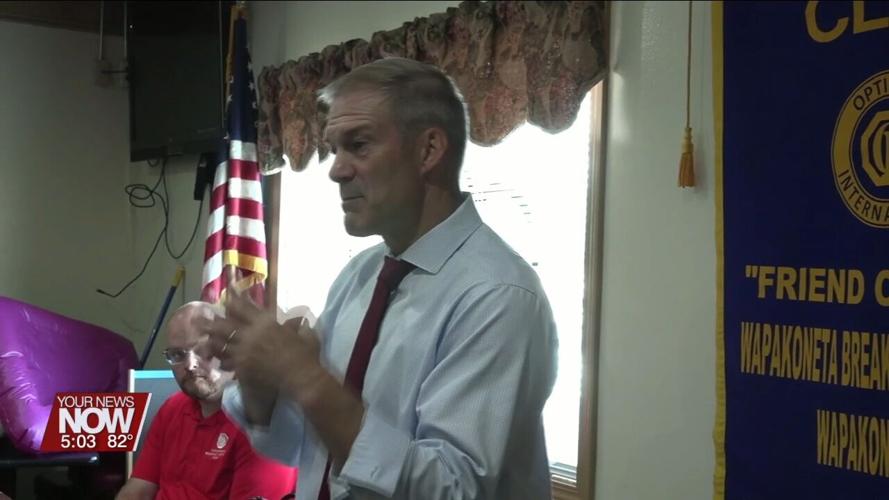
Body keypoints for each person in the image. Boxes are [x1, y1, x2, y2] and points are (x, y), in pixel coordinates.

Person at [200, 57, 558, 500]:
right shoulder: (360, 274)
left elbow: (451, 489)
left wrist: (305, 375)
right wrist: (263, 386)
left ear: (428, 150)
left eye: (359, 145)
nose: (336, 169)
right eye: (334, 149)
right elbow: (308, 451)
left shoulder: (498, 295)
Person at [116, 302, 297, 500]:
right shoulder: (172, 408)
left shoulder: (262, 424)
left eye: (203, 350)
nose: (190, 365)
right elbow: (138, 490)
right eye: (177, 355)